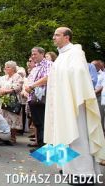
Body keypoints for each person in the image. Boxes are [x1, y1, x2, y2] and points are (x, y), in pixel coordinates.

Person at [44, 27, 105, 179]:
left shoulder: (76, 53)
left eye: (57, 35)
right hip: (60, 104)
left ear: (67, 37)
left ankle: (83, 173)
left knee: (76, 136)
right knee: (62, 134)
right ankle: (67, 168)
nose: (53, 38)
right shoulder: (61, 56)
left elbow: (79, 74)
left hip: (73, 103)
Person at [24, 47, 52, 151]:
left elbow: (48, 78)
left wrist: (32, 86)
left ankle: (45, 147)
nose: (33, 56)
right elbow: (29, 80)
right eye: (32, 54)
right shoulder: (35, 67)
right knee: (37, 123)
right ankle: (41, 145)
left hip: (42, 98)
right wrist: (27, 88)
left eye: (35, 54)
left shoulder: (48, 64)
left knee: (43, 123)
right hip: (33, 98)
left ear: (42, 54)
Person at [0, 61, 23, 144]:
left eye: (8, 67)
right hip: (3, 100)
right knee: (3, 117)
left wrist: (6, 91)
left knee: (12, 117)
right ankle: (4, 136)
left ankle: (12, 137)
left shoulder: (17, 76)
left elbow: (18, 87)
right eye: (5, 66)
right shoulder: (3, 77)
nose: (5, 68)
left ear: (13, 68)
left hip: (13, 100)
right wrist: (0, 90)